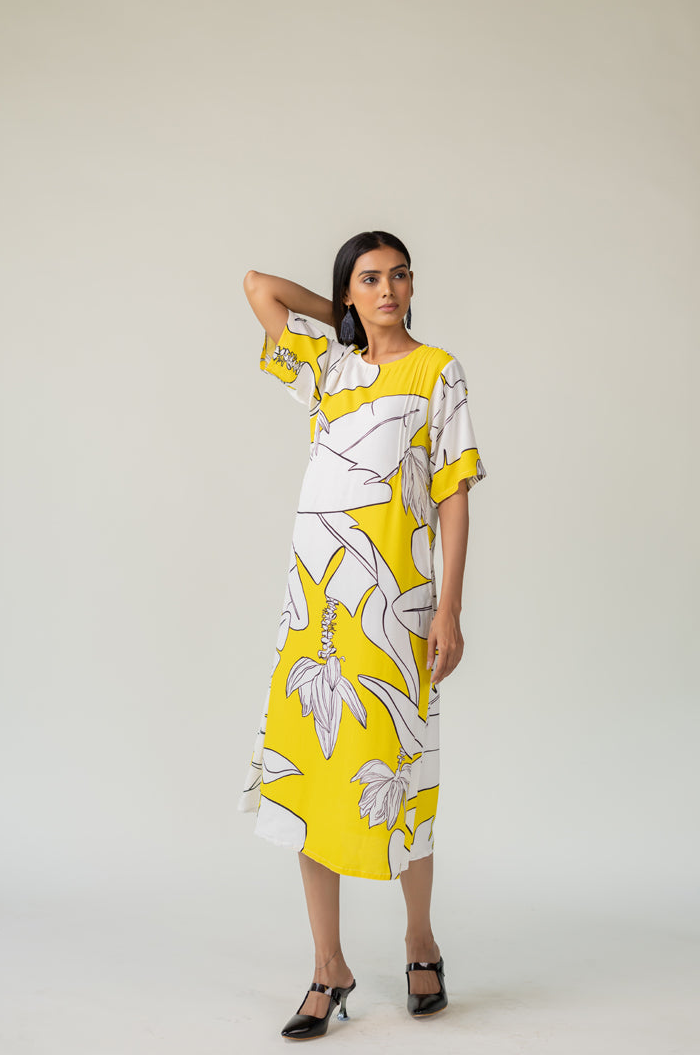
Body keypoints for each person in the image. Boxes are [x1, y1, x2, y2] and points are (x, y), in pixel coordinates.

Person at [238, 230, 487, 1039]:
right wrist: (342, 316)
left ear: (414, 286)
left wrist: (449, 609)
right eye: (371, 279)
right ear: (350, 290)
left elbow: (453, 494)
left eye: (399, 276)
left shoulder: (437, 371)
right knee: (313, 777)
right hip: (316, 613)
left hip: (396, 609)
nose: (388, 290)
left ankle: (420, 940)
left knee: (401, 773)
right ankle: (328, 966)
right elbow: (259, 286)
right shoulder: (329, 370)